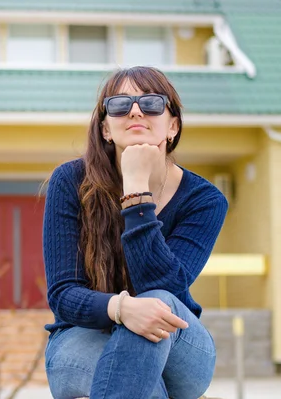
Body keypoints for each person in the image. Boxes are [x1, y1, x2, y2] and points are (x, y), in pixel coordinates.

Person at [42, 66, 228, 399]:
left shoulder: (204, 200)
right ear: (106, 129)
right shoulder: (70, 181)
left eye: (152, 103)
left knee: (156, 304)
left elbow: (166, 287)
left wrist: (137, 194)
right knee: (137, 378)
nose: (136, 111)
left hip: (178, 345)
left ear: (173, 126)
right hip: (84, 336)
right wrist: (121, 309)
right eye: (120, 104)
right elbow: (63, 294)